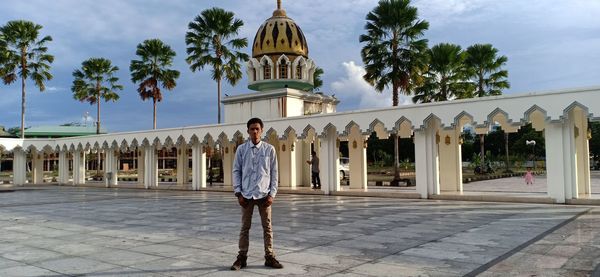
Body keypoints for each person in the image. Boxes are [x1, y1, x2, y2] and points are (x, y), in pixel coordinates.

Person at [231, 117, 283, 270]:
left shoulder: (269, 149)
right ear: (248, 131)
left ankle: (269, 256)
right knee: (244, 227)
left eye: (257, 129)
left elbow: (274, 173)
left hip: (264, 195)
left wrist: (272, 194)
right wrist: (238, 193)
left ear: (261, 131)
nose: (254, 131)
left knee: (267, 227)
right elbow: (236, 171)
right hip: (246, 195)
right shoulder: (241, 150)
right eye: (252, 129)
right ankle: (242, 257)